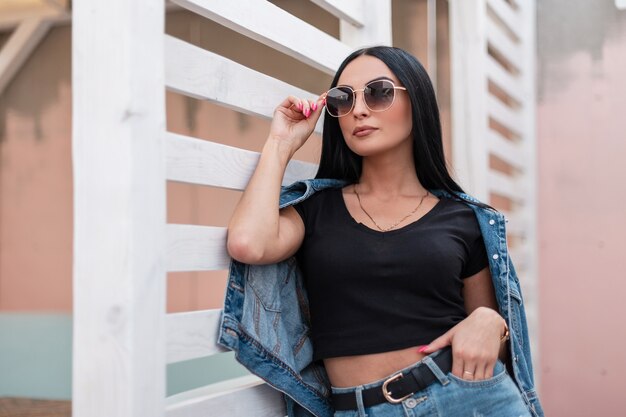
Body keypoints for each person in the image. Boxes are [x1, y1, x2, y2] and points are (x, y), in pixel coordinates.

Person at [222, 46, 544, 417]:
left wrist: (492, 322)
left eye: (379, 92)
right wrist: (280, 144)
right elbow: (248, 244)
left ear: (416, 101)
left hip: (467, 400)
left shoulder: (462, 219)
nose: (358, 109)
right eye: (343, 99)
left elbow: (490, 346)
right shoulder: (316, 211)